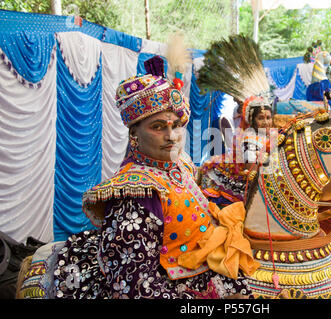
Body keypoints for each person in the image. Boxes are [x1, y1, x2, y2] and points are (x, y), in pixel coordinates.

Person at [48, 55, 259, 299]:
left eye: (176, 125)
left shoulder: (181, 165)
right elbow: (134, 285)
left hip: (202, 269)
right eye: (158, 127)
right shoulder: (136, 193)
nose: (172, 136)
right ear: (134, 134)